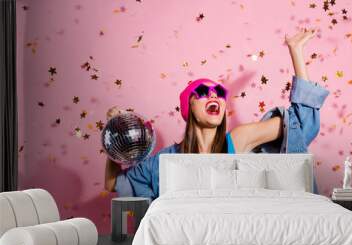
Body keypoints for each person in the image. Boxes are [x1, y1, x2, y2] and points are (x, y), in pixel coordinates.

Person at [104, 28, 330, 198]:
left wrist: (296, 52)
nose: (214, 97)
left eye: (219, 93)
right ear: (189, 107)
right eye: (202, 92)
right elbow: (114, 183)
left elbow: (300, 127)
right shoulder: (163, 161)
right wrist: (116, 127)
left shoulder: (239, 139)